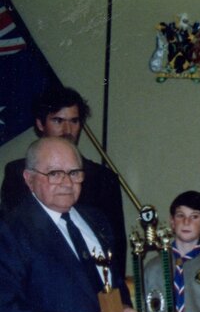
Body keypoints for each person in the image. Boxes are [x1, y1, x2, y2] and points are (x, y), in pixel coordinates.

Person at [0, 137, 139, 312]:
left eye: (74, 173)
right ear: (29, 179)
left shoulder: (96, 220)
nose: (66, 182)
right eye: (54, 173)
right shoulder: (11, 230)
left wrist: (123, 306)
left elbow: (110, 281)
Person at [1, 85, 127, 266]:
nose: (67, 129)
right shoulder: (18, 172)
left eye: (74, 121)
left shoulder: (104, 178)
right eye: (58, 121)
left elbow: (117, 247)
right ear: (40, 124)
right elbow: (13, 235)